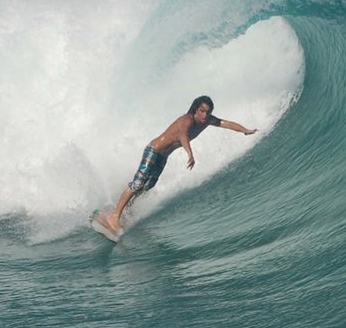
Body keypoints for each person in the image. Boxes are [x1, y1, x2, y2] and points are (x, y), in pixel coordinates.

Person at [96, 95, 258, 235]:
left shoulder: (207, 121)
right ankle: (114, 216)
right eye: (202, 111)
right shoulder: (186, 120)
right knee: (138, 183)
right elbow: (182, 135)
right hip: (153, 150)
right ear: (195, 109)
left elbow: (226, 123)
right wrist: (190, 153)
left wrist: (244, 130)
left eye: (208, 111)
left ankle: (125, 209)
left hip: (163, 157)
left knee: (148, 186)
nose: (205, 114)